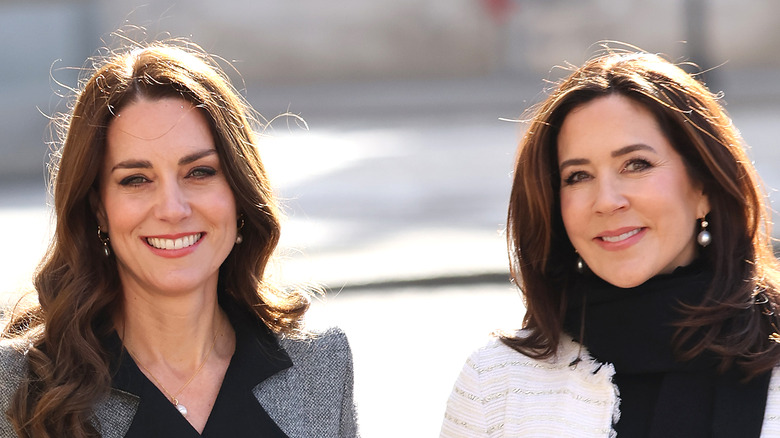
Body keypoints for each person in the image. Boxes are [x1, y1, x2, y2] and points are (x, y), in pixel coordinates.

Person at [0, 42, 359, 437]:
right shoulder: (20, 383)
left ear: (239, 191)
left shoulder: (319, 365)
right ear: (98, 208)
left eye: (199, 172)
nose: (172, 209)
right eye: (136, 179)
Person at [441, 47, 780, 437]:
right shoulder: (496, 383)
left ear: (703, 185)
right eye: (578, 176)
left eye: (636, 165)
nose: (606, 200)